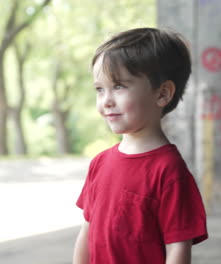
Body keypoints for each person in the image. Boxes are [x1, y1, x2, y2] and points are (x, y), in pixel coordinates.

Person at [72, 27, 208, 264]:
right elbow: (87, 232)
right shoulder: (100, 163)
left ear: (162, 94)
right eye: (99, 89)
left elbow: (177, 251)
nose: (106, 101)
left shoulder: (169, 171)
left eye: (119, 86)